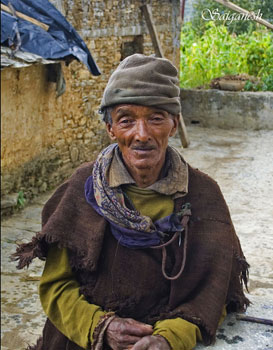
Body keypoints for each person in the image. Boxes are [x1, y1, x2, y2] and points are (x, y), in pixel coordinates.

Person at [14, 54, 249, 350]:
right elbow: (55, 287)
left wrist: (171, 337)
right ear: (111, 128)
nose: (142, 134)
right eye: (126, 120)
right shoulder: (81, 189)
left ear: (173, 125)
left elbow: (214, 292)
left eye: (155, 118)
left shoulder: (203, 196)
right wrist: (100, 326)